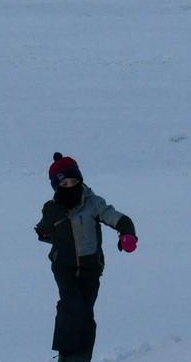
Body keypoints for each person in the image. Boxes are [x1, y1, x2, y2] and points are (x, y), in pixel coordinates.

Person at [34, 152, 137, 362]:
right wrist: (45, 232)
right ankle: (65, 356)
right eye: (64, 183)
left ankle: (81, 358)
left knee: (86, 314)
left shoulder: (93, 203)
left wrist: (127, 233)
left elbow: (118, 218)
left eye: (74, 180)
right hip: (64, 267)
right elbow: (44, 231)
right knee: (71, 306)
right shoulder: (52, 208)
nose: (70, 186)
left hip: (91, 267)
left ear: (80, 179)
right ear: (56, 186)